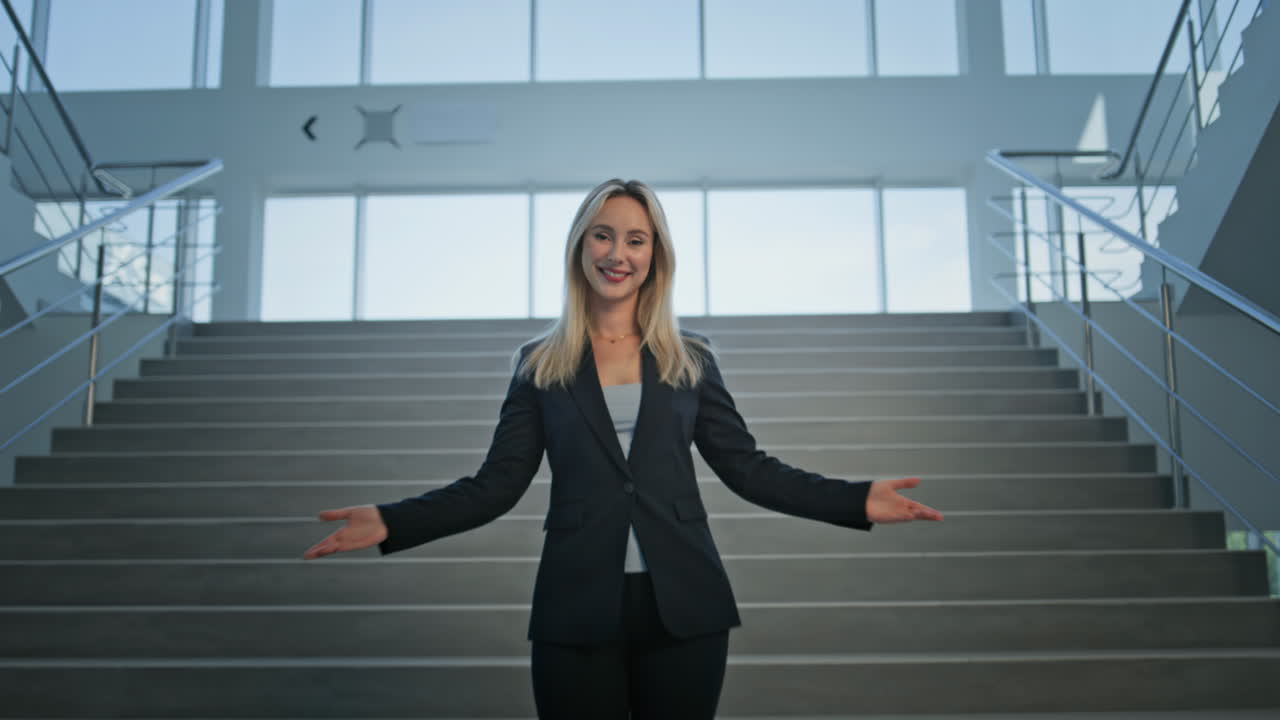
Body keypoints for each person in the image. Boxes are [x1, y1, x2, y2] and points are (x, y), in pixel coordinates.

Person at [302, 178, 944, 718]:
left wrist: (855, 501)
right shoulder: (540, 364)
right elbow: (494, 487)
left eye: (636, 239)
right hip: (576, 605)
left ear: (655, 255)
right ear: (581, 247)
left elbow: (749, 470)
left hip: (686, 605)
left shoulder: (689, 357)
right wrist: (392, 520)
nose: (618, 253)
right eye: (603, 235)